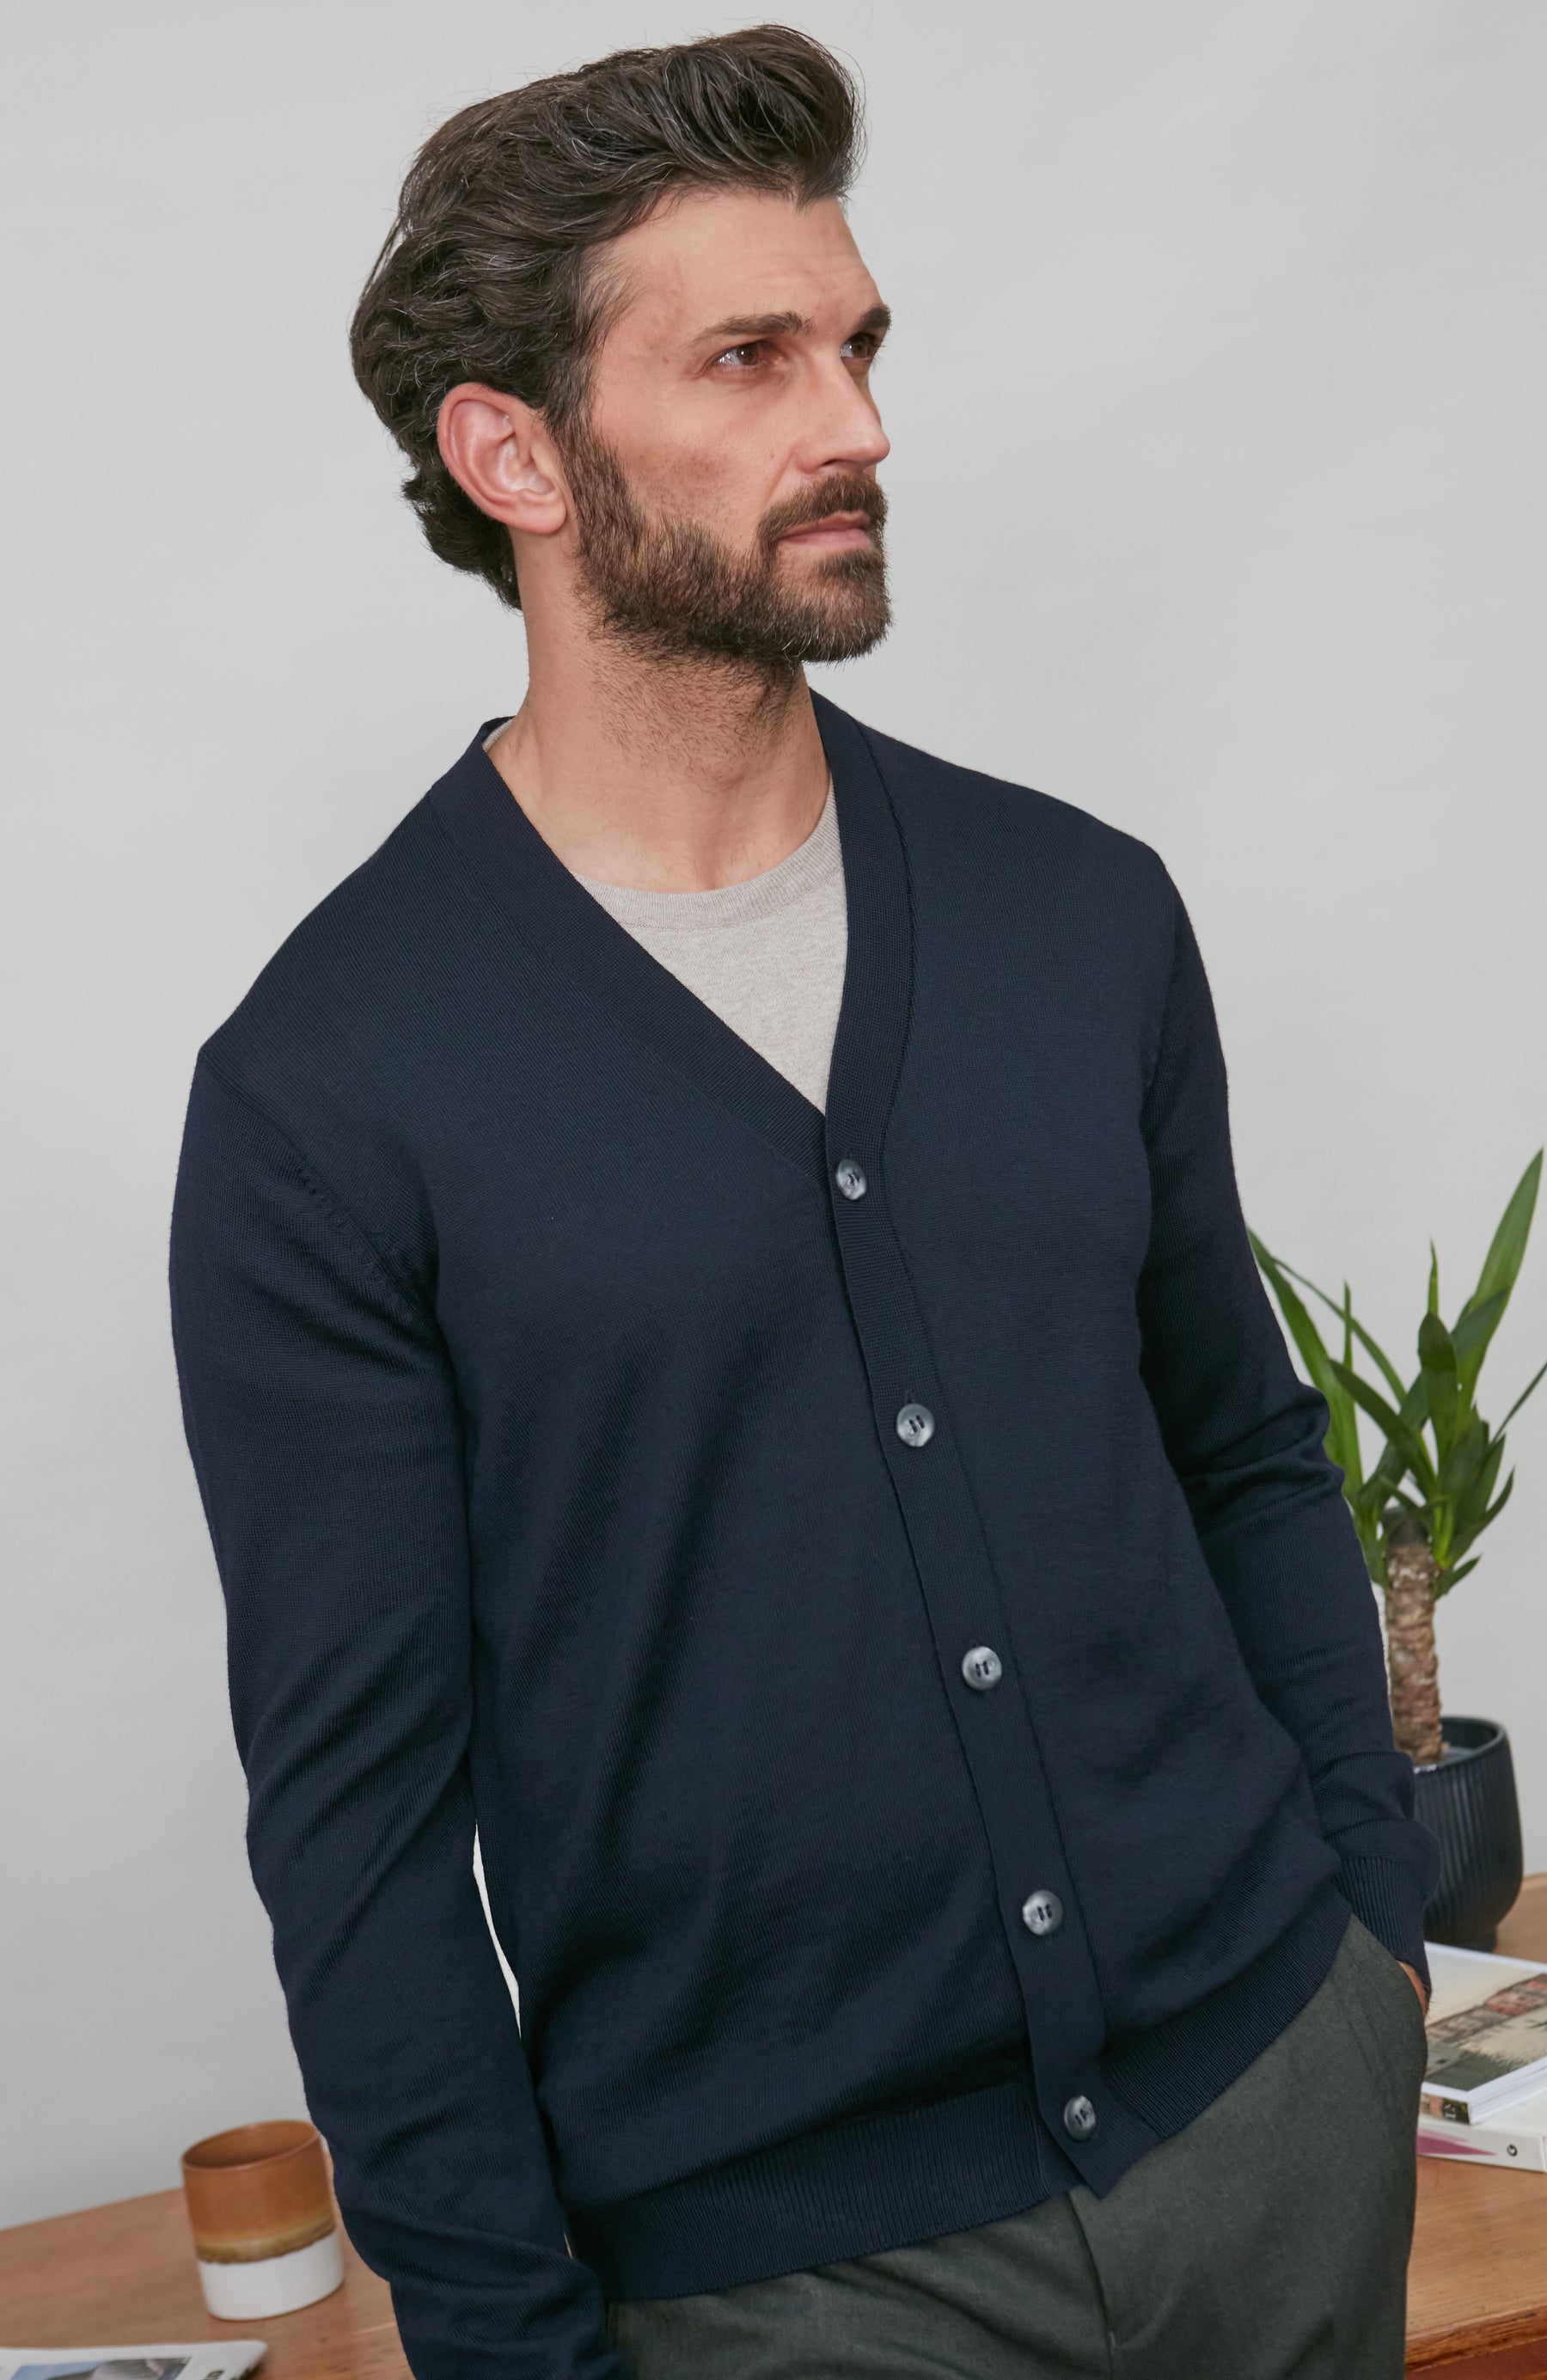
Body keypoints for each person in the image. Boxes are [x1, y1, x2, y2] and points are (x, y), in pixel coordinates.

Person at [168, 27, 1438, 2380]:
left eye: (852, 345)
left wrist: (1362, 1949)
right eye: (749, 356)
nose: (851, 421)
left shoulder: (1082, 915)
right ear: (515, 452)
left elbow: (1243, 1451)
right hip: (787, 2293)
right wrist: (508, 2341)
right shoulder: (325, 1099)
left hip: (1283, 2116)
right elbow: (359, 1836)